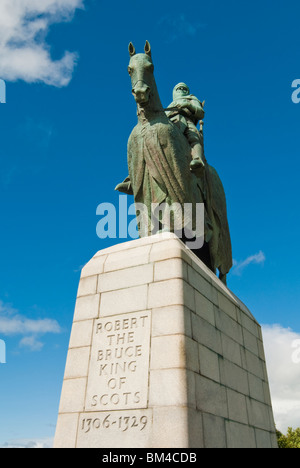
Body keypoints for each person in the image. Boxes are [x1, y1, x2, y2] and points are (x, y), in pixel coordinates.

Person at [166, 82, 205, 172]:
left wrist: (188, 105)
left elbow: (201, 113)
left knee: (194, 137)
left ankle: (197, 159)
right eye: (179, 88)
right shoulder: (170, 105)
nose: (181, 90)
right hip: (170, 122)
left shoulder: (191, 98)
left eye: (184, 88)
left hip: (187, 121)